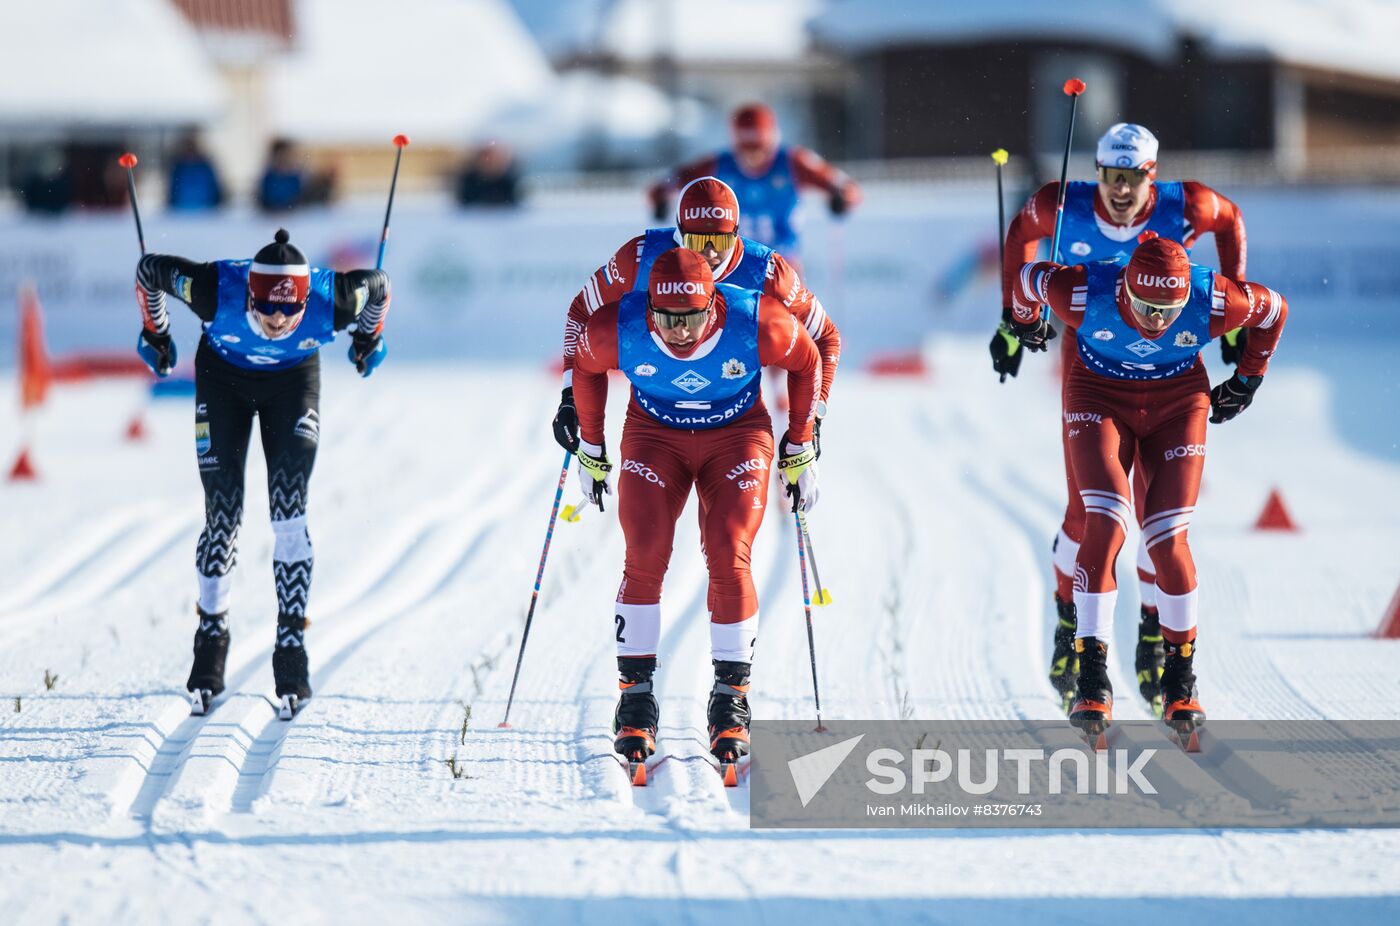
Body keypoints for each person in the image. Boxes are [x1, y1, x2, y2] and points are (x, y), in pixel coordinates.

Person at [991, 123, 1249, 714]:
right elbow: (1019, 237)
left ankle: (1155, 632)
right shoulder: (1063, 203)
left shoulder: (1188, 204)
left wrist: (1232, 313)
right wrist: (1012, 318)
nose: (1121, 191)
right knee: (1092, 510)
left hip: (1170, 371)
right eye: (1111, 177)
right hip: (1092, 361)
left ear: (1151, 176)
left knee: (1158, 512)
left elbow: (1231, 221)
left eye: (1133, 179)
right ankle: (1069, 625)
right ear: (1097, 173)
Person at [1008, 236, 1288, 736]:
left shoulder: (1214, 298)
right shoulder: (1081, 291)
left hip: (1178, 403)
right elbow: (1026, 279)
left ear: (1188, 298)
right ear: (1124, 290)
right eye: (1144, 306)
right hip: (1099, 394)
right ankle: (1093, 676)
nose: (1157, 320)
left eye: (1169, 310)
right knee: (1107, 522)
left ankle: (1181, 679)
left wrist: (1248, 378)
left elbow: (1274, 311)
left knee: (1166, 538)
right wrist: (1026, 321)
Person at [570, 247, 822, 768]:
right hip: (653, 438)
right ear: (649, 311)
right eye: (666, 319)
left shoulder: (759, 321)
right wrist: (590, 449)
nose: (680, 331)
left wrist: (801, 445)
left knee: (730, 553)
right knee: (644, 553)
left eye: (691, 318)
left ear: (714, 305)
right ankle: (635, 697)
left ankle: (731, 700)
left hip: (736, 438)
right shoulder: (616, 328)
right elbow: (584, 365)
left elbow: (809, 360)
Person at [132, 229, 391, 716]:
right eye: (267, 308)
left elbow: (379, 286)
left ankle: (291, 648)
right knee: (223, 513)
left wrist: (368, 336)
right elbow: (150, 272)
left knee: (289, 513)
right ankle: (211, 637)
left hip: (292, 385)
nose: (276, 319)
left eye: (289, 311)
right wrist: (157, 332)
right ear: (249, 293)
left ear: (304, 301)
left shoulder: (333, 297)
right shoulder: (213, 287)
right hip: (223, 381)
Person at [553, 176, 841, 456]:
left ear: (737, 233)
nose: (710, 253)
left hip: (736, 417)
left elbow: (825, 336)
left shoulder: (767, 272)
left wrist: (814, 415)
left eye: (721, 241)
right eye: (698, 239)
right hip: (655, 419)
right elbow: (582, 311)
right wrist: (570, 395)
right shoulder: (640, 259)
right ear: (678, 232)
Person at [647, 103, 861, 261]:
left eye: (760, 149)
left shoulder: (793, 162)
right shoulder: (718, 165)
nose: (753, 157)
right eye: (746, 150)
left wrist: (841, 197)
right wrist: (660, 198)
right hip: (732, 262)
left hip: (782, 262)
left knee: (784, 321)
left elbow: (846, 186)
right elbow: (667, 182)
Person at [167, 134, 225, 212]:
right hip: (181, 212)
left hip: (206, 211)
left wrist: (216, 204)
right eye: (188, 148)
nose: (190, 152)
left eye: (191, 148)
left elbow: (215, 187)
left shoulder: (205, 166)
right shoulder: (179, 168)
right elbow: (172, 189)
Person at [257, 139, 305, 212]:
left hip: (292, 216)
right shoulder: (269, 177)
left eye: (287, 155)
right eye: (281, 155)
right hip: (271, 216)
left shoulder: (296, 178)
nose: (284, 158)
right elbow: (265, 199)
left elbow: (300, 199)